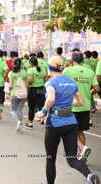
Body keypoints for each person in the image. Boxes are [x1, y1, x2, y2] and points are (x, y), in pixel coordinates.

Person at [35, 56, 100, 184]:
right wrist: (67, 104)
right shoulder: (71, 82)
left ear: (50, 68)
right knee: (72, 159)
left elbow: (51, 99)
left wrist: (42, 112)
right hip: (71, 123)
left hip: (54, 123)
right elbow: (80, 102)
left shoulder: (50, 83)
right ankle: (90, 176)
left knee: (50, 158)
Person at [62, 49, 99, 164]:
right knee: (80, 131)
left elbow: (62, 85)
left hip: (72, 105)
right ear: (83, 59)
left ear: (72, 60)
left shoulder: (67, 70)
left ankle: (82, 149)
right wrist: (89, 93)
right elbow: (97, 88)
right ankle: (82, 153)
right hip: (85, 105)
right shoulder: (90, 72)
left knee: (70, 130)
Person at [25, 57, 47, 129]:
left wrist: (27, 83)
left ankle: (30, 124)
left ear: (31, 63)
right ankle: (44, 119)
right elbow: (45, 80)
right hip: (41, 89)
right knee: (41, 106)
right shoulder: (42, 70)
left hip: (33, 90)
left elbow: (30, 80)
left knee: (31, 108)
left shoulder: (30, 70)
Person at [8, 57, 28, 133]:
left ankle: (18, 121)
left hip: (14, 93)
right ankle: (19, 126)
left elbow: (10, 85)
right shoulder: (24, 72)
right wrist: (26, 92)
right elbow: (27, 84)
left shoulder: (11, 73)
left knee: (13, 110)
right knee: (19, 109)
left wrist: (9, 93)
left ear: (13, 64)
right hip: (23, 93)